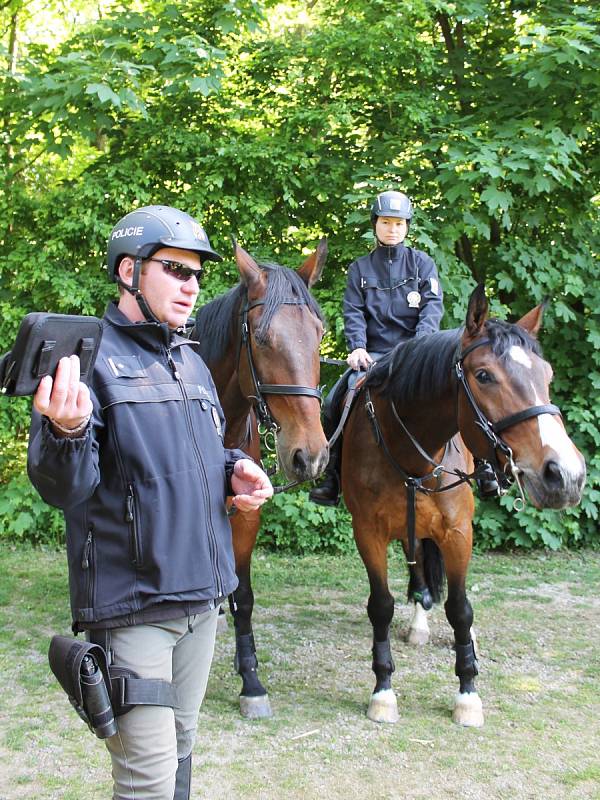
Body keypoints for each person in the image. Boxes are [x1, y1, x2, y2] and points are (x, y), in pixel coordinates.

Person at [27, 205, 273, 800]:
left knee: (181, 754)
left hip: (203, 600)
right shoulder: (86, 361)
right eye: (175, 269)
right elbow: (64, 487)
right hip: (134, 607)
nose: (191, 286)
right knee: (148, 779)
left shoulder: (189, 360)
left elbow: (200, 457)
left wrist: (234, 469)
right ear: (128, 271)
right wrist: (64, 433)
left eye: (197, 274)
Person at [310, 189, 499, 506]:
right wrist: (357, 347)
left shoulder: (423, 264)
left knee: (463, 394)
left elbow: (432, 309)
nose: (392, 229)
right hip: (374, 358)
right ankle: (332, 478)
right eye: (386, 222)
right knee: (332, 402)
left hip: (419, 353)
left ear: (407, 226)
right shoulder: (359, 269)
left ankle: (484, 468)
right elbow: (353, 312)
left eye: (399, 223)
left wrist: (419, 349)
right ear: (375, 224)